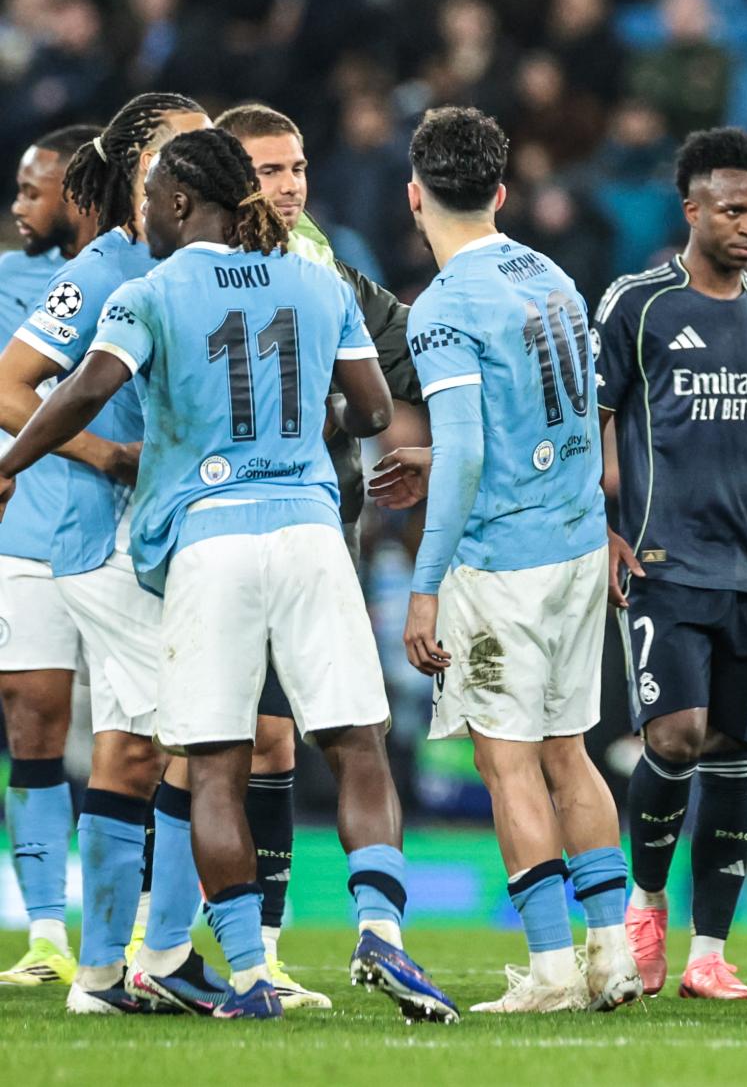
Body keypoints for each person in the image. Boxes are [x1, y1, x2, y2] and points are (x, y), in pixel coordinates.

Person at [0, 127, 457, 1023]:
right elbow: (369, 409)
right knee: (357, 742)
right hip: (310, 531)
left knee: (214, 764)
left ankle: (249, 975)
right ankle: (381, 931)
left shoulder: (152, 288)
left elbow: (85, 390)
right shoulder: (317, 279)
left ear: (175, 204)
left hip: (207, 539)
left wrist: (11, 459)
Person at [388, 106, 638, 1015]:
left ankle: (550, 970)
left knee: (509, 764)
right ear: (499, 191)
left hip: (504, 565)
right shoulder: (554, 277)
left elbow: (460, 454)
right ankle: (612, 954)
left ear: (416, 195)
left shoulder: (446, 307)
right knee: (570, 753)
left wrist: (423, 588)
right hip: (575, 543)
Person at [212, 101, 425, 1009]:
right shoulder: (188, 266)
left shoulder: (324, 260)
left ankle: (266, 951)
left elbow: (409, 353)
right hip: (222, 530)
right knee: (220, 744)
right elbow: (373, 405)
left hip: (319, 525)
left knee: (298, 735)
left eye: (298, 165)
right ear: (229, 178)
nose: (291, 184)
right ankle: (167, 944)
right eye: (269, 170)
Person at [0, 93, 205, 1014]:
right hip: (103, 538)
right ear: (134, 168)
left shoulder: (207, 262)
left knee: (127, 750)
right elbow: (11, 383)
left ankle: (102, 976)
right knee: (203, 736)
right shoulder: (103, 267)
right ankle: (163, 951)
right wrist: (104, 452)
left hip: (169, 538)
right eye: (179, 146)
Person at [596, 128, 747, 1001]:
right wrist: (601, 527)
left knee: (733, 758)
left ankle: (708, 953)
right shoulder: (638, 303)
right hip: (663, 562)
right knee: (674, 736)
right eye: (732, 208)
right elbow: (590, 422)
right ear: (691, 209)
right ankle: (647, 901)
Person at [0, 123, 98, 987]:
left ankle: (139, 930)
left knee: (143, 736)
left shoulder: (128, 277)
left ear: (78, 195)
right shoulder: (2, 281)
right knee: (32, 719)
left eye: (33, 192)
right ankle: (44, 935)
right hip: (29, 534)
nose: (18, 208)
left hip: (127, 534)